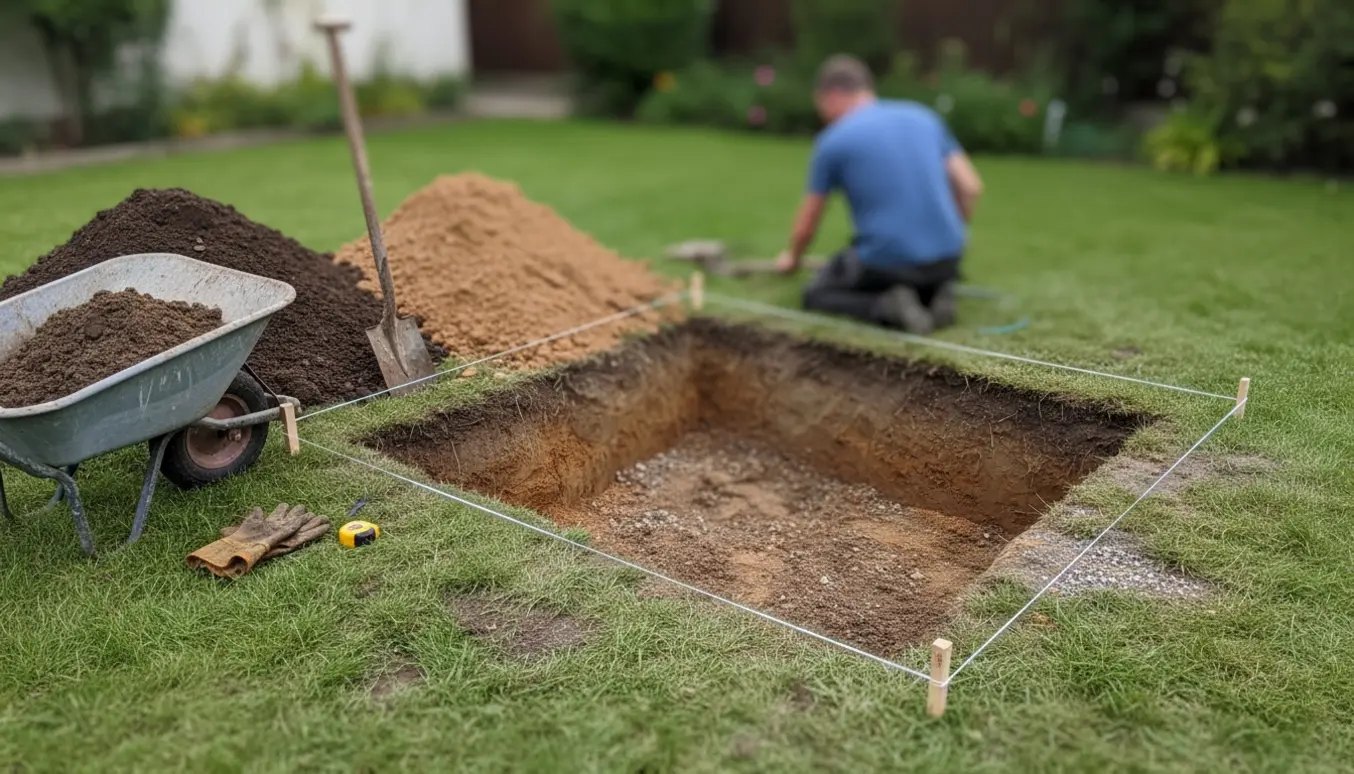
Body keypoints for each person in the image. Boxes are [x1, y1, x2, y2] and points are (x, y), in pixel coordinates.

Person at [776, 54, 984, 334]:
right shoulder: (923, 117)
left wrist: (792, 259)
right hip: (949, 258)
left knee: (816, 294)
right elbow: (971, 186)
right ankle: (935, 295)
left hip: (889, 264)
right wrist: (947, 234)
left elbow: (808, 222)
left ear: (832, 95)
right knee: (917, 273)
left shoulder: (834, 140)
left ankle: (886, 306)